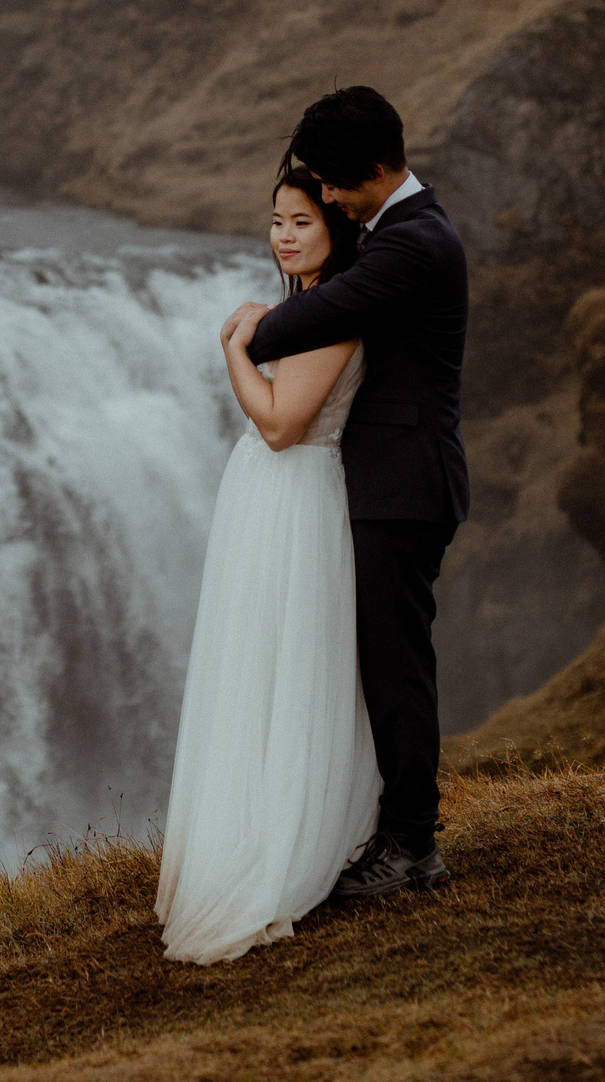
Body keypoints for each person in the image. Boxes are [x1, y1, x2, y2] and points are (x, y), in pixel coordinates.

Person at [228, 85, 468, 901]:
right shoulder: (390, 230)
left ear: (372, 168)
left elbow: (305, 322)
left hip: (403, 485)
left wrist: (242, 333)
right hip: (384, 482)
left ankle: (412, 844)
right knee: (375, 663)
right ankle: (379, 827)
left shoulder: (410, 244)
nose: (322, 196)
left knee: (396, 667)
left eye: (330, 186)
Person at [155, 169, 381, 964]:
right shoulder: (309, 308)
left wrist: (235, 349)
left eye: (303, 223)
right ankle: (251, 819)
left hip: (292, 494)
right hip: (270, 499)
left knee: (284, 660)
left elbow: (283, 424)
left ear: (336, 231)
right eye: (277, 221)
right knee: (255, 662)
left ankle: (277, 840)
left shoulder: (327, 314)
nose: (285, 235)